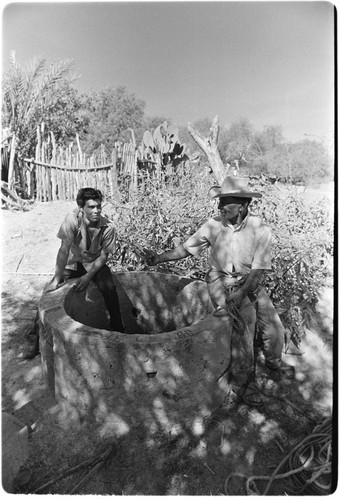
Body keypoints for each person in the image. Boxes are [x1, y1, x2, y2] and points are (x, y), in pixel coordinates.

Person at [144, 176, 293, 406]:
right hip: (220, 279)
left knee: (274, 328)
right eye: (220, 202)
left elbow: (257, 272)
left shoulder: (260, 229)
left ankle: (273, 362)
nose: (220, 207)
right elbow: (186, 249)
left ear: (243, 205)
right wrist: (158, 259)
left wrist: (242, 292)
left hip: (249, 281)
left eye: (226, 202)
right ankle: (243, 384)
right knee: (245, 321)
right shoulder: (213, 226)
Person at [21, 187, 124, 359]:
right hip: (73, 261)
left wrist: (87, 277)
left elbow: (104, 256)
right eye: (91, 207)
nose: (96, 211)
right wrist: (56, 279)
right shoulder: (72, 220)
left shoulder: (108, 227)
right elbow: (64, 250)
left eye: (99, 206)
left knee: (110, 288)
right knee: (48, 294)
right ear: (81, 208)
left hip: (93, 262)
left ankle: (119, 332)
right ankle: (34, 338)